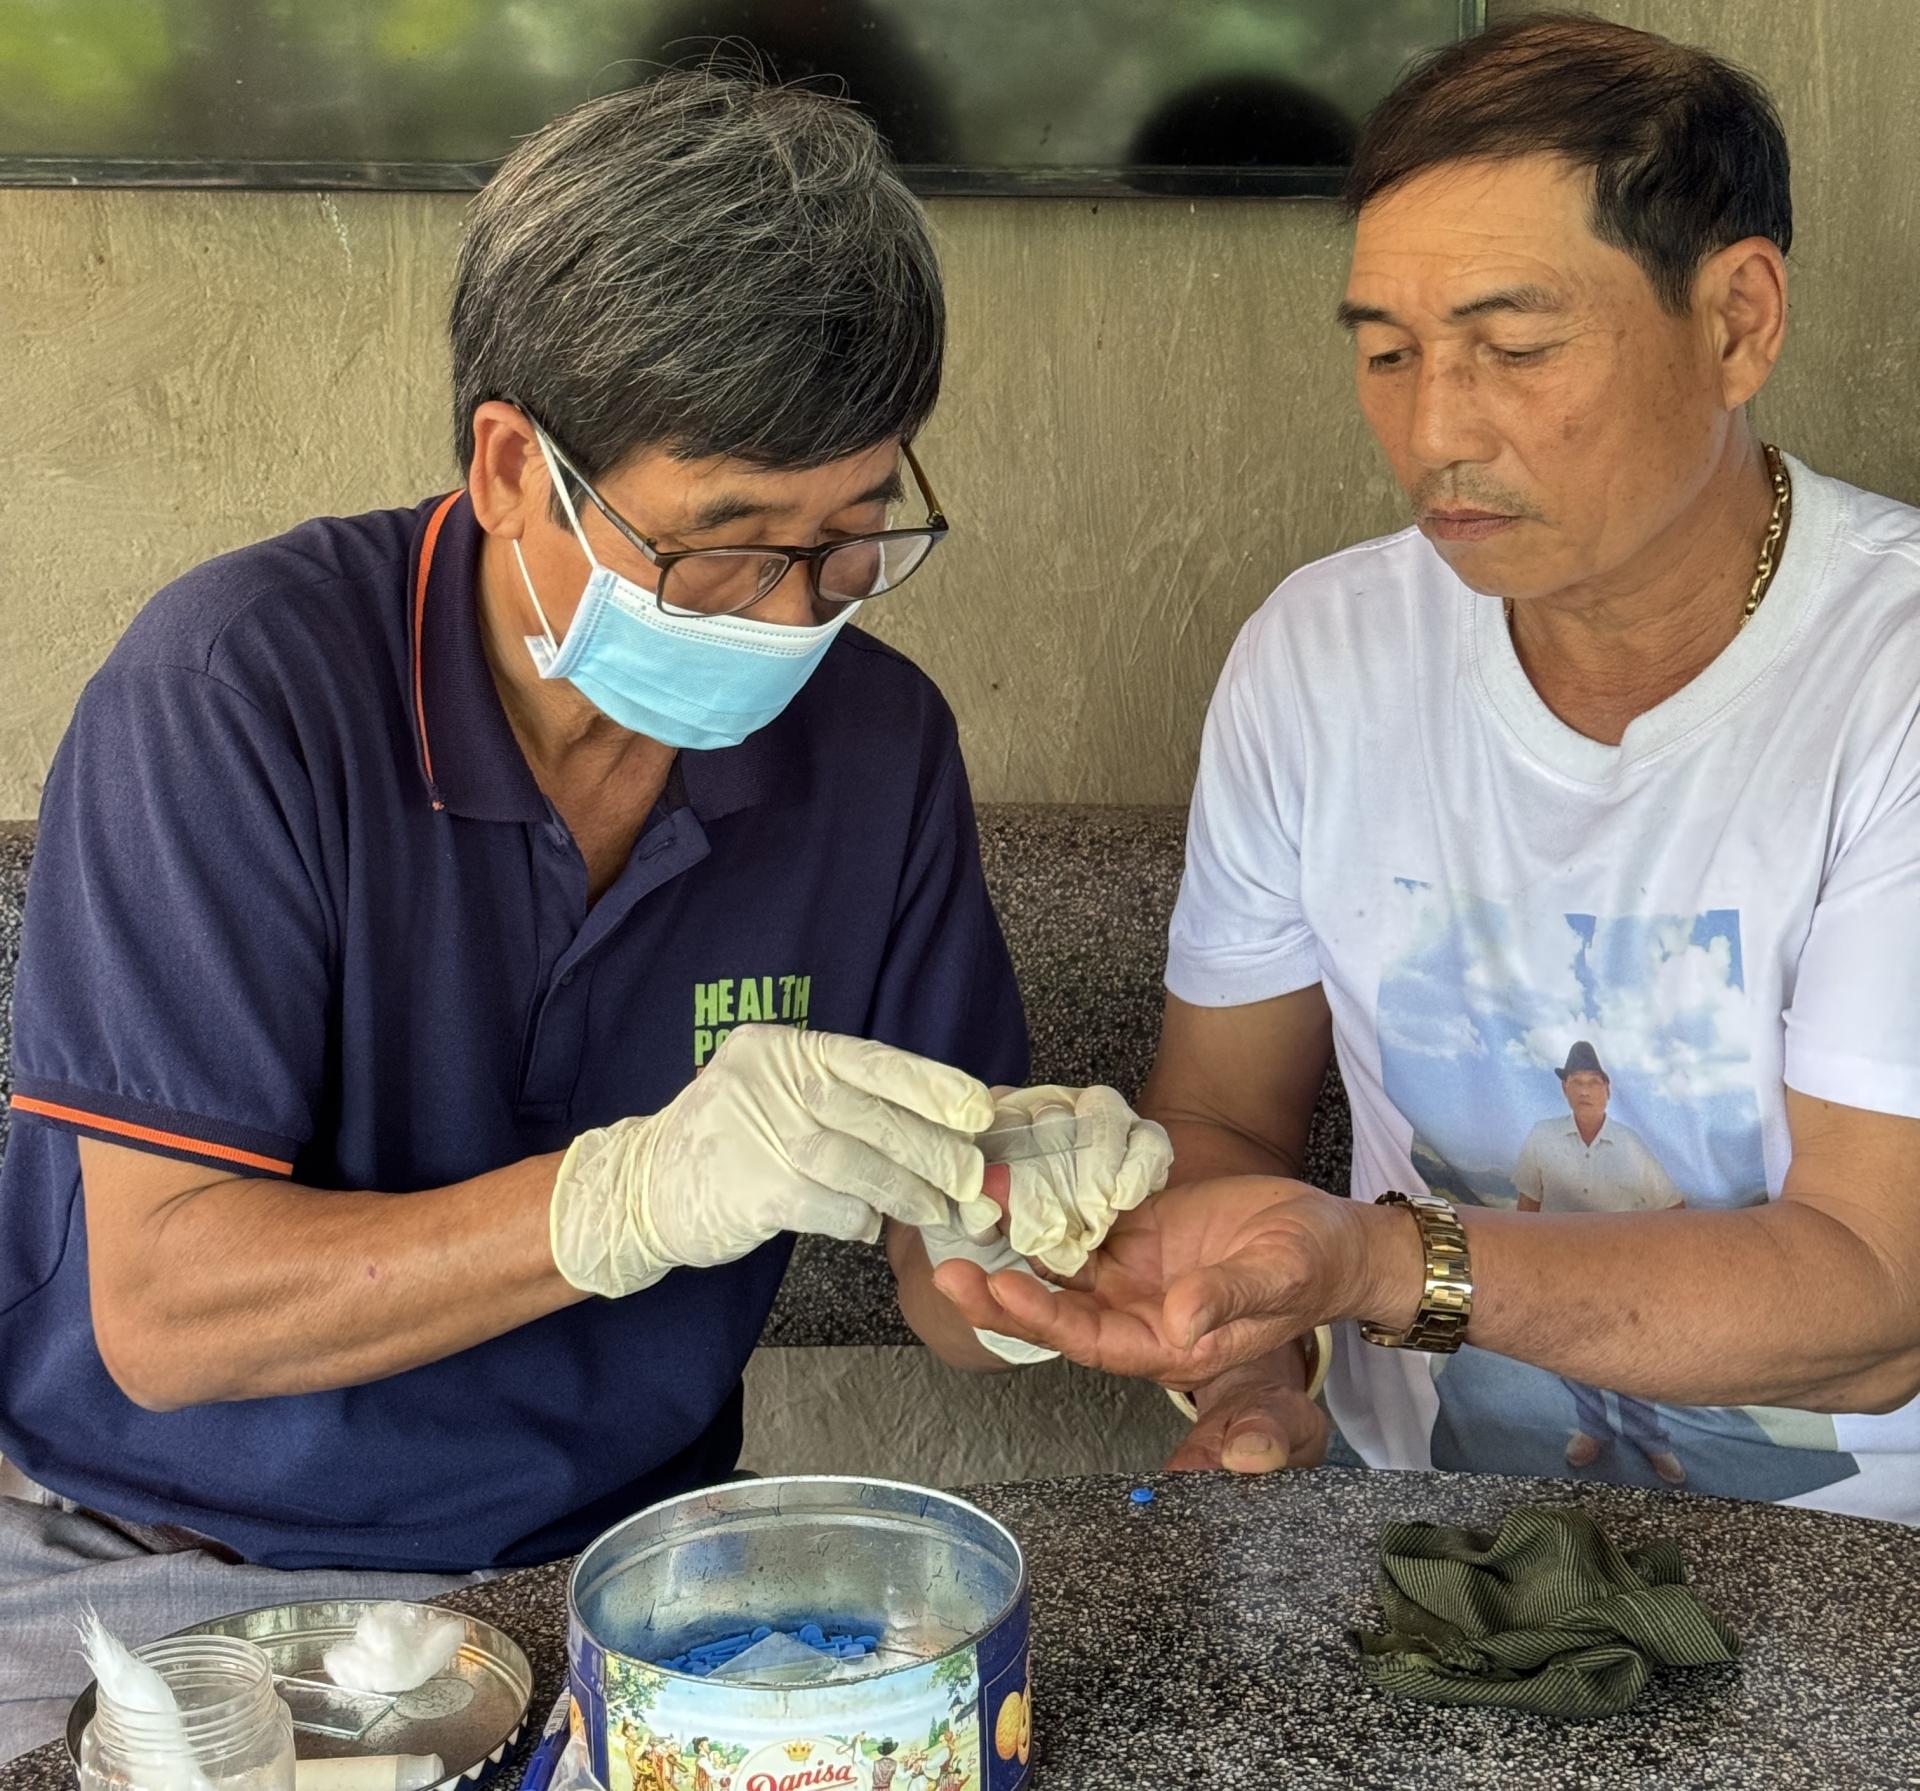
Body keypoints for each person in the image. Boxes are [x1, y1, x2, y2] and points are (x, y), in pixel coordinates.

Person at [0, 71, 1164, 1757]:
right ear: (510, 467)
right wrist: (626, 1193)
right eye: (723, 545)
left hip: (630, 1577)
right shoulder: (241, 692)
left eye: (852, 538)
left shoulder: (873, 745)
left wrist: (1024, 1240)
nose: (789, 614)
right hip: (171, 1572)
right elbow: (169, 1315)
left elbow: (940, 1277)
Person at [938, 14, 1920, 1518]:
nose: (1435, 428)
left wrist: (1384, 1262)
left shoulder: (1889, 674)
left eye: (1514, 348)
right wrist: (1249, 1361)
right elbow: (1227, 1126)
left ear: (1737, 321)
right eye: (1388, 354)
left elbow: (1871, 1297)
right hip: (1416, 1535)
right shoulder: (1324, 652)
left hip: (1860, 1566)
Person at [1514, 1040, 1686, 1482]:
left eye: (1594, 1081)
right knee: (1575, 1356)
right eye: (1576, 1081)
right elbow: (1527, 1208)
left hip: (1625, 1276)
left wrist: (1661, 1271)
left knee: (1633, 1362)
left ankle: (1652, 1442)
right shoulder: (1542, 1136)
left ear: (1607, 1090)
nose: (1585, 1090)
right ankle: (1593, 1431)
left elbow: (1673, 1209)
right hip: (1562, 1274)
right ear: (1565, 1090)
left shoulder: (1630, 1144)